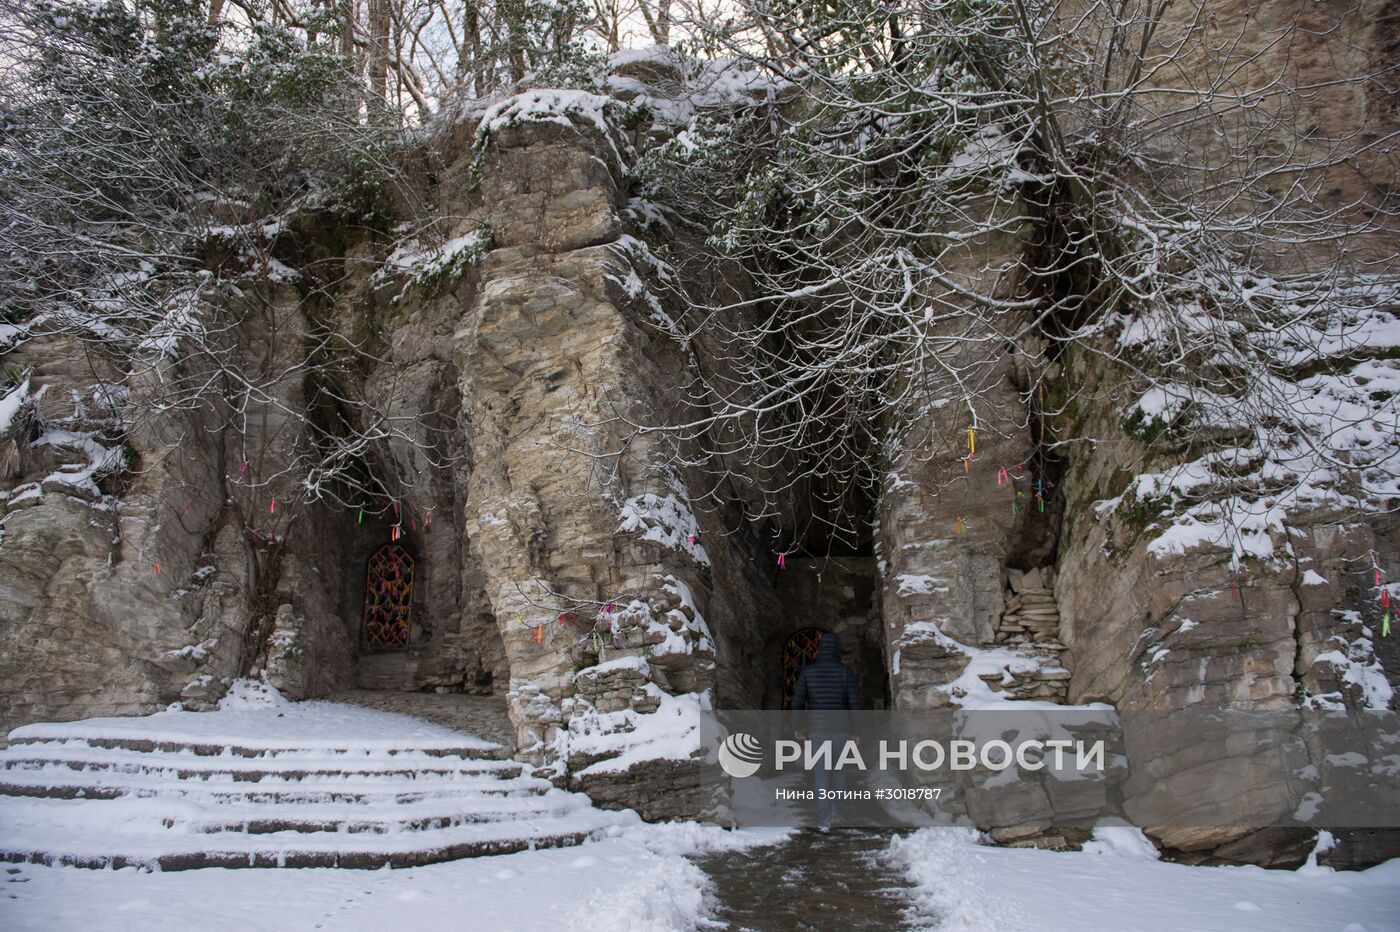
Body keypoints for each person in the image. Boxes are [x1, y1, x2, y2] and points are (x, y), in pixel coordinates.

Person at [791, 631, 860, 832]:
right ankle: (838, 812)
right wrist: (857, 731)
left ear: (819, 650)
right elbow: (854, 704)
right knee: (839, 772)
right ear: (837, 649)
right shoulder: (846, 672)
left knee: (821, 774)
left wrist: (797, 728)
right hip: (841, 731)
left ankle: (823, 819)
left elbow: (798, 701)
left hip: (817, 731)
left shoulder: (807, 672)